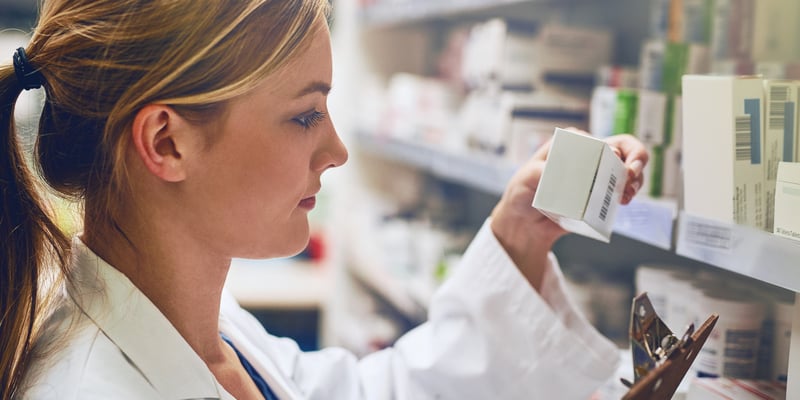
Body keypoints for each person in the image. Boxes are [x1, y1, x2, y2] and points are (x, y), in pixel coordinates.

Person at [0, 0, 648, 399]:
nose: (336, 150)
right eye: (306, 116)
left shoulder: (209, 333)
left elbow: (373, 393)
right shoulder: (88, 388)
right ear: (167, 143)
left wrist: (519, 239)